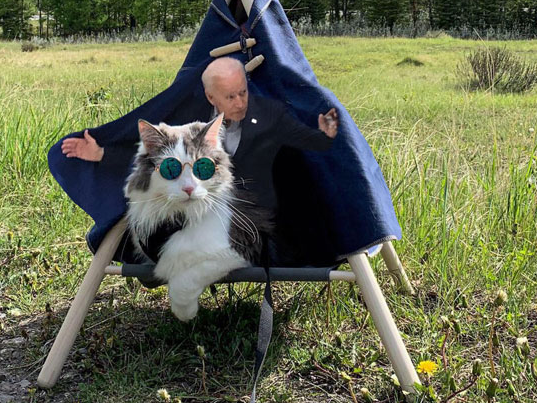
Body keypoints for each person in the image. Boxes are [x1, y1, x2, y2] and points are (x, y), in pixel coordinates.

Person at [61, 54, 339, 260]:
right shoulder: (188, 121)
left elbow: (304, 140)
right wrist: (102, 154)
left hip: (257, 221)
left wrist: (324, 134)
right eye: (230, 97)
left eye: (243, 92)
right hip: (192, 219)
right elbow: (157, 159)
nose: (240, 102)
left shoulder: (269, 114)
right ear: (210, 97)